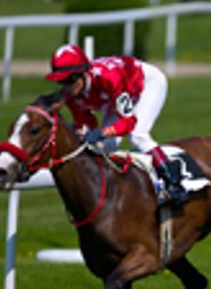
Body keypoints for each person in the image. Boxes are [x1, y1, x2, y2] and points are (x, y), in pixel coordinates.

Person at [45, 43, 187, 205]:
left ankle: (174, 183)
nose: (67, 88)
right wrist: (83, 132)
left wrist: (101, 133)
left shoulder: (108, 78)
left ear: (83, 73)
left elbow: (128, 123)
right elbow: (85, 121)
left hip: (147, 84)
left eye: (70, 80)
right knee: (106, 145)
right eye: (61, 82)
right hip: (116, 97)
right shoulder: (71, 96)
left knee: (138, 135)